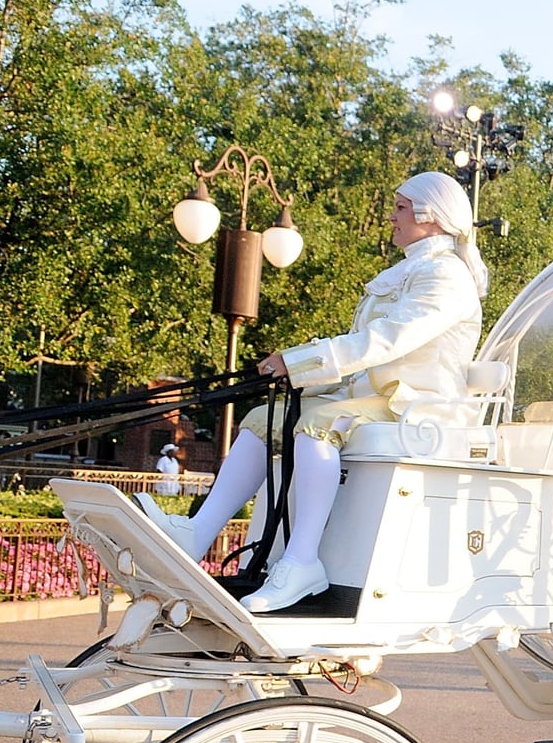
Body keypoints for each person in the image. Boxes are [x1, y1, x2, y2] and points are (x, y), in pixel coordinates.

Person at [141, 171, 487, 612]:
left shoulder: (446, 276)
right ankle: (196, 532)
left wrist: (302, 364)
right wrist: (292, 366)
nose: (392, 217)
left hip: (417, 404)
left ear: (431, 217)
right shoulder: (411, 270)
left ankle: (302, 561)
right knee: (261, 419)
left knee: (315, 426)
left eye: (400, 208)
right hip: (376, 397)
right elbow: (366, 347)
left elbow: (386, 340)